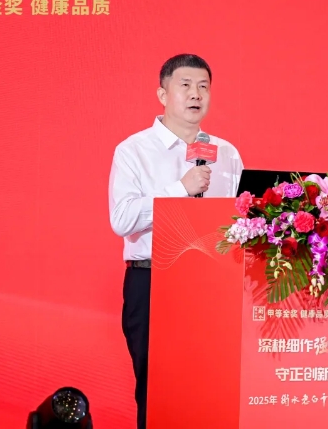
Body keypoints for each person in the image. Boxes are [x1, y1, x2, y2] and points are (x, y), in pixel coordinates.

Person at [108, 54, 244, 429]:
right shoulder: (133, 151)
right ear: (162, 94)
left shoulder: (227, 154)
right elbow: (122, 219)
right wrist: (179, 190)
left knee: (210, 387)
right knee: (157, 390)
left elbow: (240, 219)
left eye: (203, 86)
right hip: (153, 281)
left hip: (213, 285)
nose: (195, 94)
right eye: (185, 85)